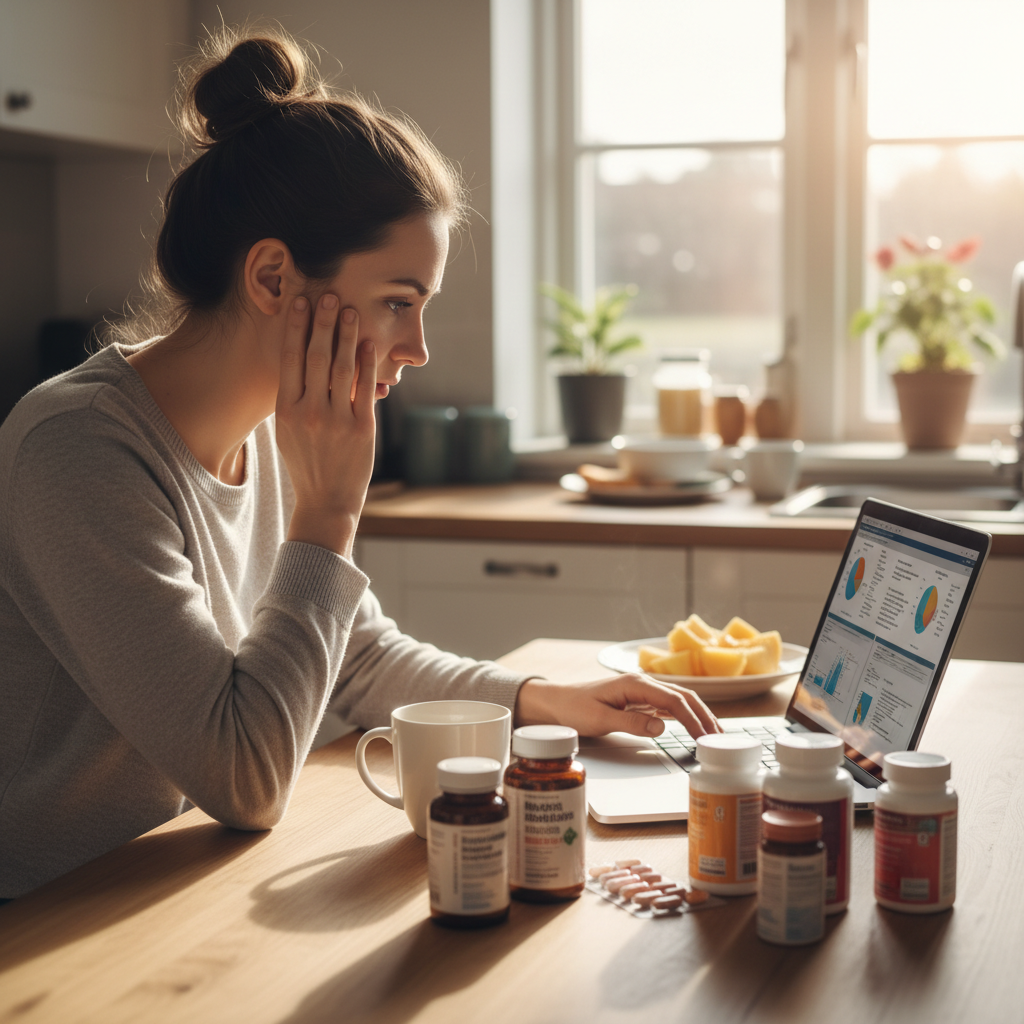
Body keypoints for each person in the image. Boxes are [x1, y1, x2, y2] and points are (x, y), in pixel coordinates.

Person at [0, 28, 718, 900]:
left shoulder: (270, 430)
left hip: (179, 879)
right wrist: (328, 518)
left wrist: (538, 697)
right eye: (395, 303)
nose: (415, 349)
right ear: (272, 279)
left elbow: (358, 657)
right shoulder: (77, 449)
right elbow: (245, 778)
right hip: (52, 919)